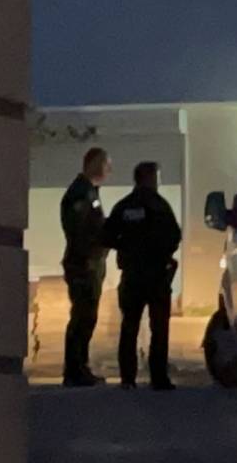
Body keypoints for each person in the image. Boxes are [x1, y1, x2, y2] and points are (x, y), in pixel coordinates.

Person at [103, 162, 182, 391]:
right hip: (157, 275)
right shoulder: (159, 205)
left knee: (129, 325)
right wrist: (162, 253)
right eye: (156, 177)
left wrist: (126, 247)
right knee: (159, 327)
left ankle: (128, 378)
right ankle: (158, 377)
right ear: (149, 178)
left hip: (131, 275)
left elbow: (106, 235)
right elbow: (174, 235)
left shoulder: (124, 206)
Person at [60, 147, 113, 387]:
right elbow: (80, 230)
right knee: (82, 316)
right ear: (92, 164)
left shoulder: (89, 192)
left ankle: (80, 367)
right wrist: (90, 256)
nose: (109, 170)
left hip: (89, 263)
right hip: (83, 264)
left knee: (87, 316)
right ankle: (75, 369)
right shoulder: (81, 193)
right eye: (105, 164)